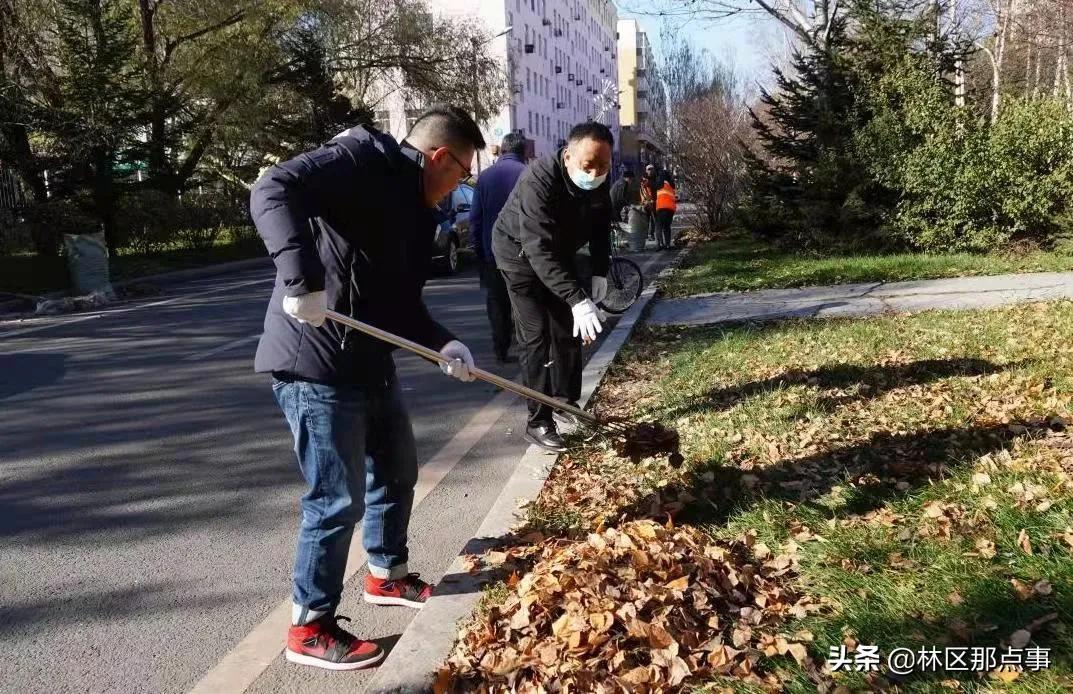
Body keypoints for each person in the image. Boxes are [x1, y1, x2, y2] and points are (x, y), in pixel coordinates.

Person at [249, 105, 485, 672]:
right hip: (316, 361)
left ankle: (387, 574)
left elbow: (401, 305)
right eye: (463, 173)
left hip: (369, 362)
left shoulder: (417, 213)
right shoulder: (362, 158)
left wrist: (444, 343)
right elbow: (272, 188)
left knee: (398, 469)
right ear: (438, 157)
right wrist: (300, 279)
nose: (461, 186)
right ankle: (309, 626)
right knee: (335, 500)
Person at [492, 122, 613, 452]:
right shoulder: (538, 179)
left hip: (558, 252)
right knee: (536, 337)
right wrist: (576, 297)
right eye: (589, 165)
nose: (597, 172)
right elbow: (536, 247)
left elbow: (602, 225)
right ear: (568, 155)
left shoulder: (601, 176)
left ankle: (567, 403)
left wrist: (600, 272)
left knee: (569, 331)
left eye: (604, 165)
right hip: (518, 254)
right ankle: (538, 420)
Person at [470, 133, 528, 363]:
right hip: (525, 255)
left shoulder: (485, 178)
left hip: (492, 254)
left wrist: (479, 252)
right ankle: (528, 352)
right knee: (525, 304)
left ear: (502, 150)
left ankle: (501, 350)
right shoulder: (528, 175)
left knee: (497, 303)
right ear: (523, 152)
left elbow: (475, 218)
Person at [654, 180, 677, 250]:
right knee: (667, 227)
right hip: (670, 209)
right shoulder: (671, 186)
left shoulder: (658, 184)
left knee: (659, 227)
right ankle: (668, 244)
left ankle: (659, 244)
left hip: (661, 208)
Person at [641, 164, 657, 244]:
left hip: (654, 202)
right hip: (647, 202)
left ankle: (651, 234)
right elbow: (643, 191)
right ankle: (646, 234)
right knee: (646, 219)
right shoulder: (644, 180)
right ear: (646, 170)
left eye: (652, 169)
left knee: (654, 220)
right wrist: (646, 201)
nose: (650, 171)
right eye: (649, 169)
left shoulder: (655, 179)